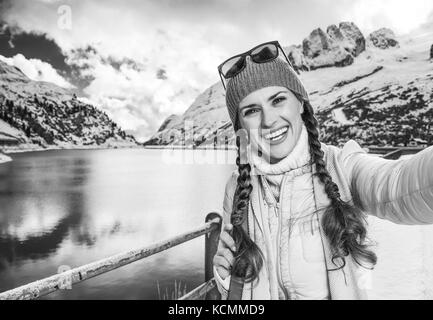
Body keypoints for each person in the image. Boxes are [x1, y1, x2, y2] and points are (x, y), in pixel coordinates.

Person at [212, 40, 433, 300]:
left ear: (301, 104)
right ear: (241, 126)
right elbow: (238, 282)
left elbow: (402, 184)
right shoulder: (237, 187)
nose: (268, 120)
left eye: (278, 100)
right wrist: (226, 278)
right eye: (251, 111)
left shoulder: (341, 168)